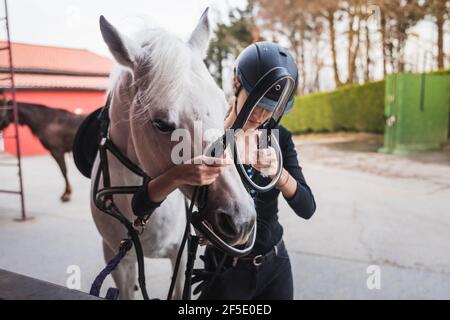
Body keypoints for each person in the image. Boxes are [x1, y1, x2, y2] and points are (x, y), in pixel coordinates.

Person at [132, 41, 316, 300]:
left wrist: (279, 173)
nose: (263, 114)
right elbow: (140, 204)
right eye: (258, 101)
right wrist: (178, 174)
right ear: (235, 84)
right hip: (225, 271)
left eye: (273, 107)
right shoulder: (207, 135)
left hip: (275, 266)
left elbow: (307, 208)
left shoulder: (276, 138)